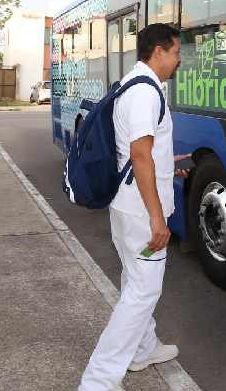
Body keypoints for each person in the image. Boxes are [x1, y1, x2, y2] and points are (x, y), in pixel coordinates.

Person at [79, 23, 184, 391]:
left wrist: (171, 159)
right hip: (141, 211)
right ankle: (98, 381)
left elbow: (142, 150)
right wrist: (158, 218)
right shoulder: (145, 92)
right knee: (143, 291)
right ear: (158, 51)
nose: (178, 59)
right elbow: (140, 155)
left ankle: (144, 349)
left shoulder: (134, 84)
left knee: (134, 280)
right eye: (175, 52)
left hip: (127, 206)